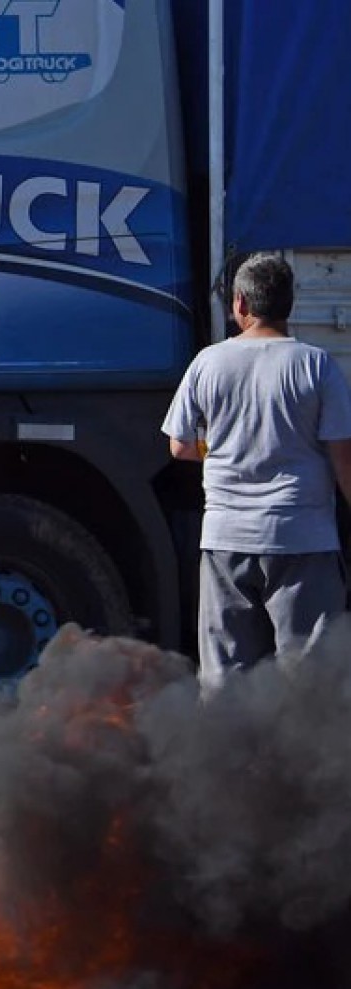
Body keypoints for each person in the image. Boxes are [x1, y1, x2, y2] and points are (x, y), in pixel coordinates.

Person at [162, 253, 351, 682]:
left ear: (241, 305)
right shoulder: (316, 365)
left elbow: (179, 445)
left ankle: (226, 752)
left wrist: (226, 450)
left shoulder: (208, 363)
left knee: (226, 681)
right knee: (310, 686)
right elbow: (344, 460)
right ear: (290, 304)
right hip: (303, 539)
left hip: (226, 540)